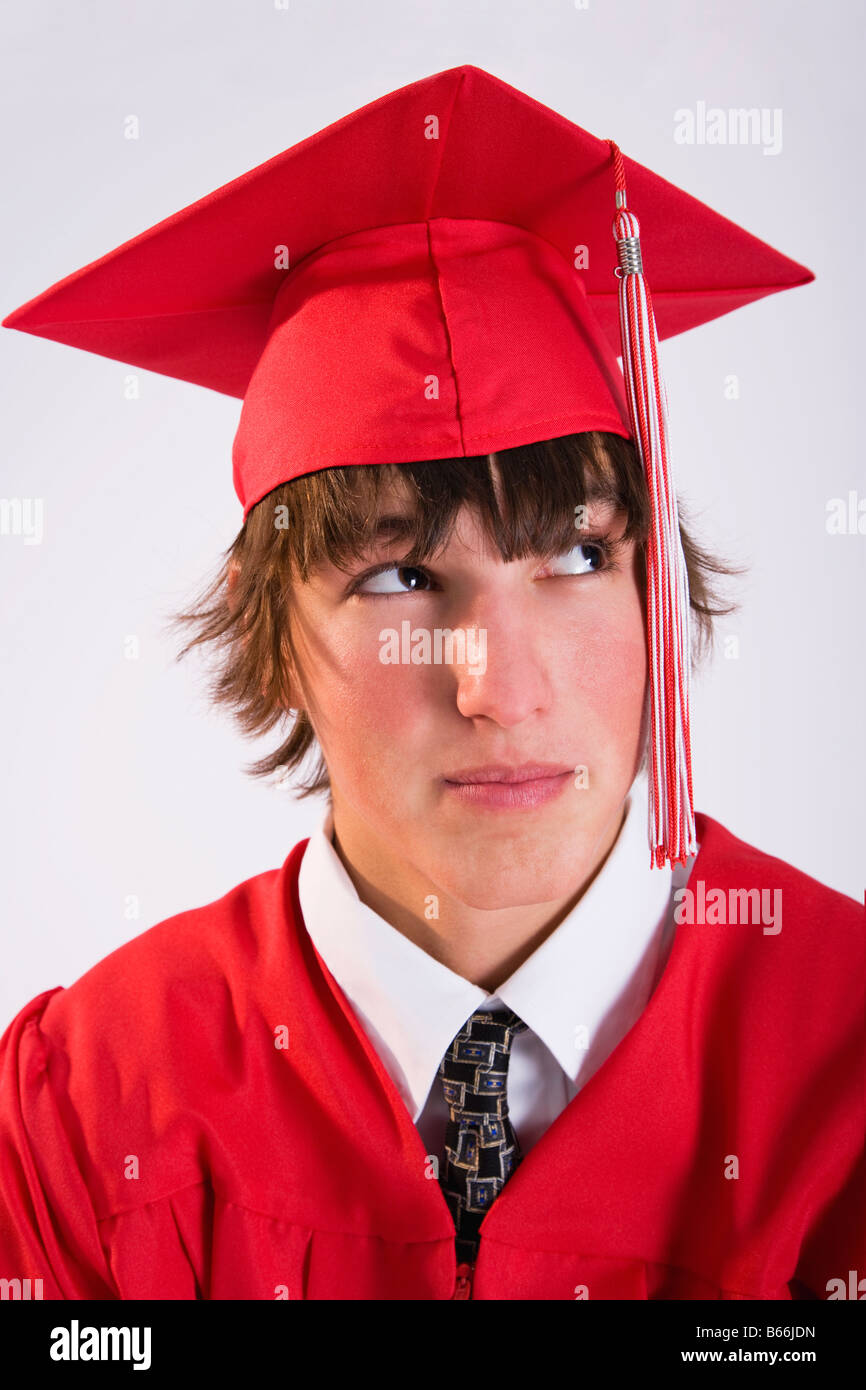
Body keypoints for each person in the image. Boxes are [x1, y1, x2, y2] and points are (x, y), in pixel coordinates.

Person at [0, 64, 861, 1301]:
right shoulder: (86, 1114)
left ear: (653, 591)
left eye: (576, 554)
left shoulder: (841, 1065)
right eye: (401, 578)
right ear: (271, 635)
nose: (501, 690)